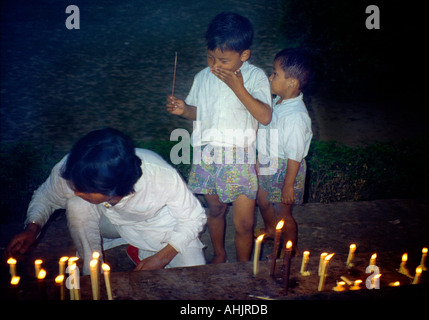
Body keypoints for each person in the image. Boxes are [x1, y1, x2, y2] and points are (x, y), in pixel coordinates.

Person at [6, 128, 207, 274]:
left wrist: (162, 257)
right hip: (111, 223)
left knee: (194, 278)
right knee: (77, 205)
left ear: (113, 191)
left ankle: (137, 247)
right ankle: (92, 272)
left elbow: (194, 219)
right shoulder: (76, 168)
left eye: (84, 190)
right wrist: (32, 228)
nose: (75, 191)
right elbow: (45, 195)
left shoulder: (160, 177)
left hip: (158, 225)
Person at [167, 12, 272, 263]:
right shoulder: (203, 77)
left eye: (223, 60)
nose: (215, 65)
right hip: (207, 153)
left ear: (244, 55)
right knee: (215, 209)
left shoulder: (256, 76)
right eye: (210, 56)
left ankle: (244, 267)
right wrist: (184, 110)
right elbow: (199, 112)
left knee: (244, 222)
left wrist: (238, 87)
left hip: (240, 155)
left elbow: (265, 116)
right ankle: (220, 255)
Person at [257, 48, 313, 255]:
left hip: (285, 168)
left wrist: (288, 185)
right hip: (267, 161)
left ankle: (291, 247)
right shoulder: (279, 102)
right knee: (262, 200)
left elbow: (295, 155)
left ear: (292, 83)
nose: (270, 77)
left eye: (274, 73)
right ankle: (272, 230)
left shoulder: (296, 117)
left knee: (283, 212)